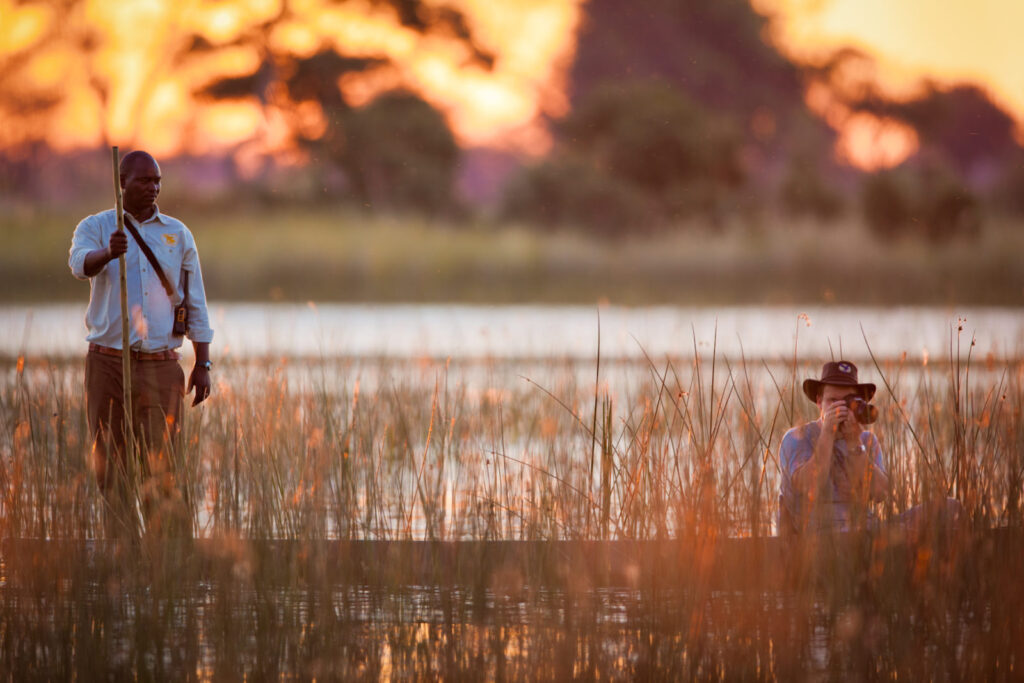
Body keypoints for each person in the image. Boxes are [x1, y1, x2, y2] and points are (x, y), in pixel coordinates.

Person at [69, 150, 213, 537]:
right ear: (122, 183)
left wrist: (202, 363)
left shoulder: (178, 233)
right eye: (144, 181)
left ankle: (168, 561)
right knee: (110, 466)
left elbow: (194, 300)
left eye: (157, 181)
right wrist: (107, 253)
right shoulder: (97, 227)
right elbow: (79, 264)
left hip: (162, 365)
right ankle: (122, 559)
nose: (153, 188)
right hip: (107, 363)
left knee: (162, 465)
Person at [779, 360, 889, 535]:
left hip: (863, 530)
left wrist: (854, 442)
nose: (840, 408)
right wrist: (828, 434)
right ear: (819, 402)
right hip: (816, 536)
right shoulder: (797, 437)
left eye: (847, 402)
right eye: (833, 401)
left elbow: (881, 493)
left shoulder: (867, 440)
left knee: (947, 507)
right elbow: (807, 486)